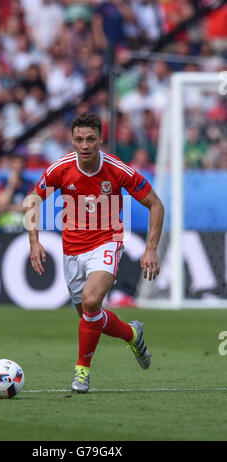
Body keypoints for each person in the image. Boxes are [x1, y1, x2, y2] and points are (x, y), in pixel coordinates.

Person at [25, 112, 164, 393]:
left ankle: (82, 371)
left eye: (90, 139)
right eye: (79, 139)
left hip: (107, 242)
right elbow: (32, 200)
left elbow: (156, 205)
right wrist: (34, 242)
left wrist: (150, 248)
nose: (85, 145)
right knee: (91, 316)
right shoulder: (61, 169)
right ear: (72, 141)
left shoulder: (117, 170)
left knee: (90, 302)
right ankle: (132, 333)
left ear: (101, 139)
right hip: (71, 249)